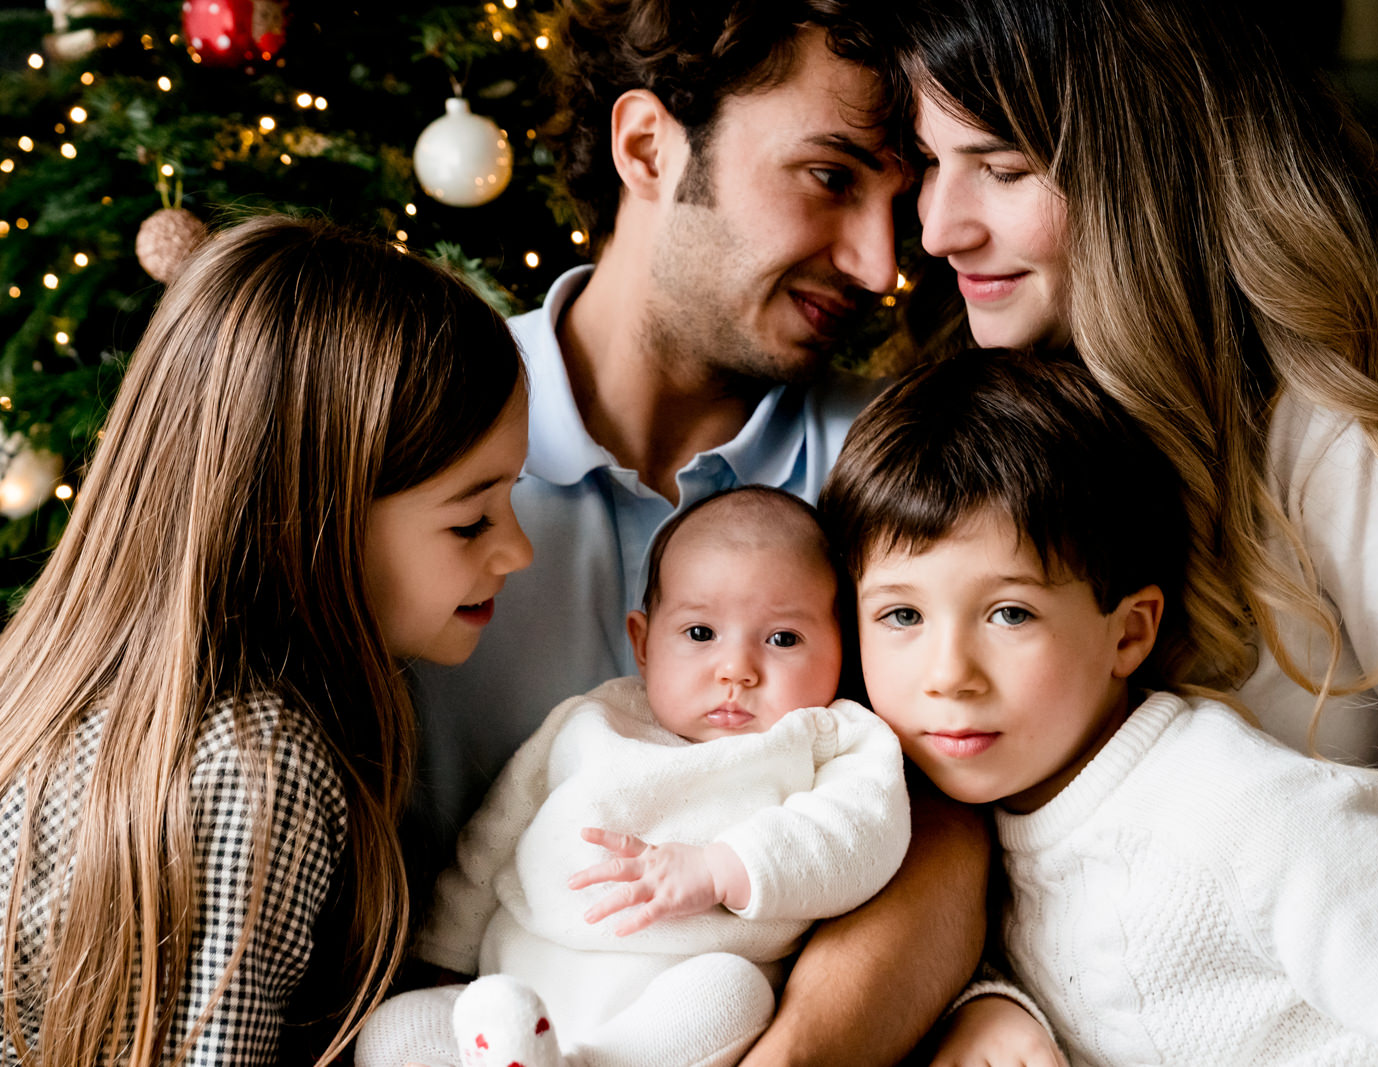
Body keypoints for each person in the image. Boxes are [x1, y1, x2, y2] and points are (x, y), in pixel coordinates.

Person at [894, 0, 1378, 1045]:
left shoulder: (1355, 410)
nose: (937, 225)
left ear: (1148, 162)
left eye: (1001, 168)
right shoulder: (977, 406)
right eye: (927, 160)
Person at [408, 1, 990, 1061]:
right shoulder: (413, 445)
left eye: (899, 205)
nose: (877, 264)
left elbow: (956, 828)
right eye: (829, 176)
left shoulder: (894, 465)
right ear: (647, 146)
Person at [819, 349, 1378, 1065]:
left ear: (1128, 633)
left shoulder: (1250, 814)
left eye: (1010, 614)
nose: (948, 674)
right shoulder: (966, 833)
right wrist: (992, 1002)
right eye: (902, 617)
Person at [0, 215, 534, 1067]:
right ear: (307, 520)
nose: (518, 549)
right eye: (472, 519)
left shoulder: (37, 678)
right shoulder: (262, 764)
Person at [358, 487, 911, 1067]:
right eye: (701, 633)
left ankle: (582, 1062)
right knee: (394, 1028)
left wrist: (722, 868)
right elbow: (495, 837)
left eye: (782, 639)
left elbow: (862, 837)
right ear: (643, 645)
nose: (736, 670)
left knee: (733, 994)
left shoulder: (831, 738)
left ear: (843, 650)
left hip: (665, 1005)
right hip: (523, 978)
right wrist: (447, 950)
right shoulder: (592, 721)